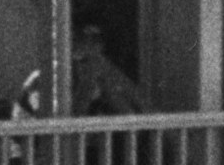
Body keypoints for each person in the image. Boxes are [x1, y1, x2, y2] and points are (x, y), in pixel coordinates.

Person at [11, 15, 147, 119]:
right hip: (30, 152)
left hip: (81, 151)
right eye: (80, 40)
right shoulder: (42, 79)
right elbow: (61, 130)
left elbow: (132, 114)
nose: (90, 48)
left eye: (96, 41)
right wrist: (87, 84)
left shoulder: (101, 74)